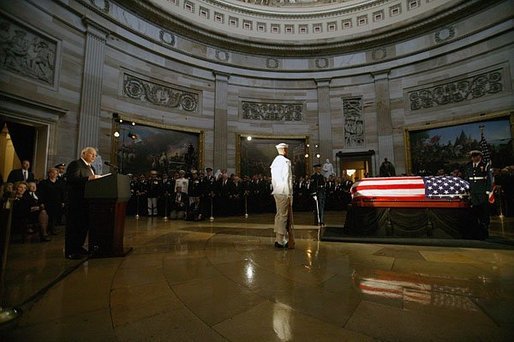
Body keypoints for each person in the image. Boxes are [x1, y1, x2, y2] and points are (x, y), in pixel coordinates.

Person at [65, 147, 101, 259]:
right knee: (74, 227)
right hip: (76, 202)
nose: (94, 157)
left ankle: (79, 247)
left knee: (83, 227)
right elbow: (71, 180)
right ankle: (71, 251)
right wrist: (88, 178)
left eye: (95, 155)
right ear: (84, 153)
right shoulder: (76, 164)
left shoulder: (92, 168)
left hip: (87, 201)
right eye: (92, 154)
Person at [463, 150, 492, 239]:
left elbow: (489, 178)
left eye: (475, 156)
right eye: (472, 156)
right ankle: (476, 227)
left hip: (482, 190)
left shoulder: (485, 165)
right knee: (475, 208)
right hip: (473, 190)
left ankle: (484, 226)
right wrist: (467, 189)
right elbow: (467, 178)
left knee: (484, 209)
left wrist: (488, 190)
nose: (474, 158)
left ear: (480, 156)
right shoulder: (468, 165)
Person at [270, 143, 293, 248]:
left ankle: (278, 238)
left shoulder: (274, 162)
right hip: (284, 192)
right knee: (283, 216)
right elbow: (287, 179)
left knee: (279, 215)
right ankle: (281, 241)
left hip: (276, 191)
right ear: (284, 150)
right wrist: (289, 194)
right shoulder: (285, 162)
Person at [37, 167, 65, 236]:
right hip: (47, 202)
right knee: (47, 215)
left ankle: (53, 228)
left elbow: (63, 193)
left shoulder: (60, 183)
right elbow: (40, 193)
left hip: (57, 202)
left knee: (55, 216)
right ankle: (45, 230)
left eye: (56, 173)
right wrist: (41, 202)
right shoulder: (44, 182)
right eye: (53, 173)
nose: (55, 174)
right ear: (49, 174)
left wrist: (63, 201)